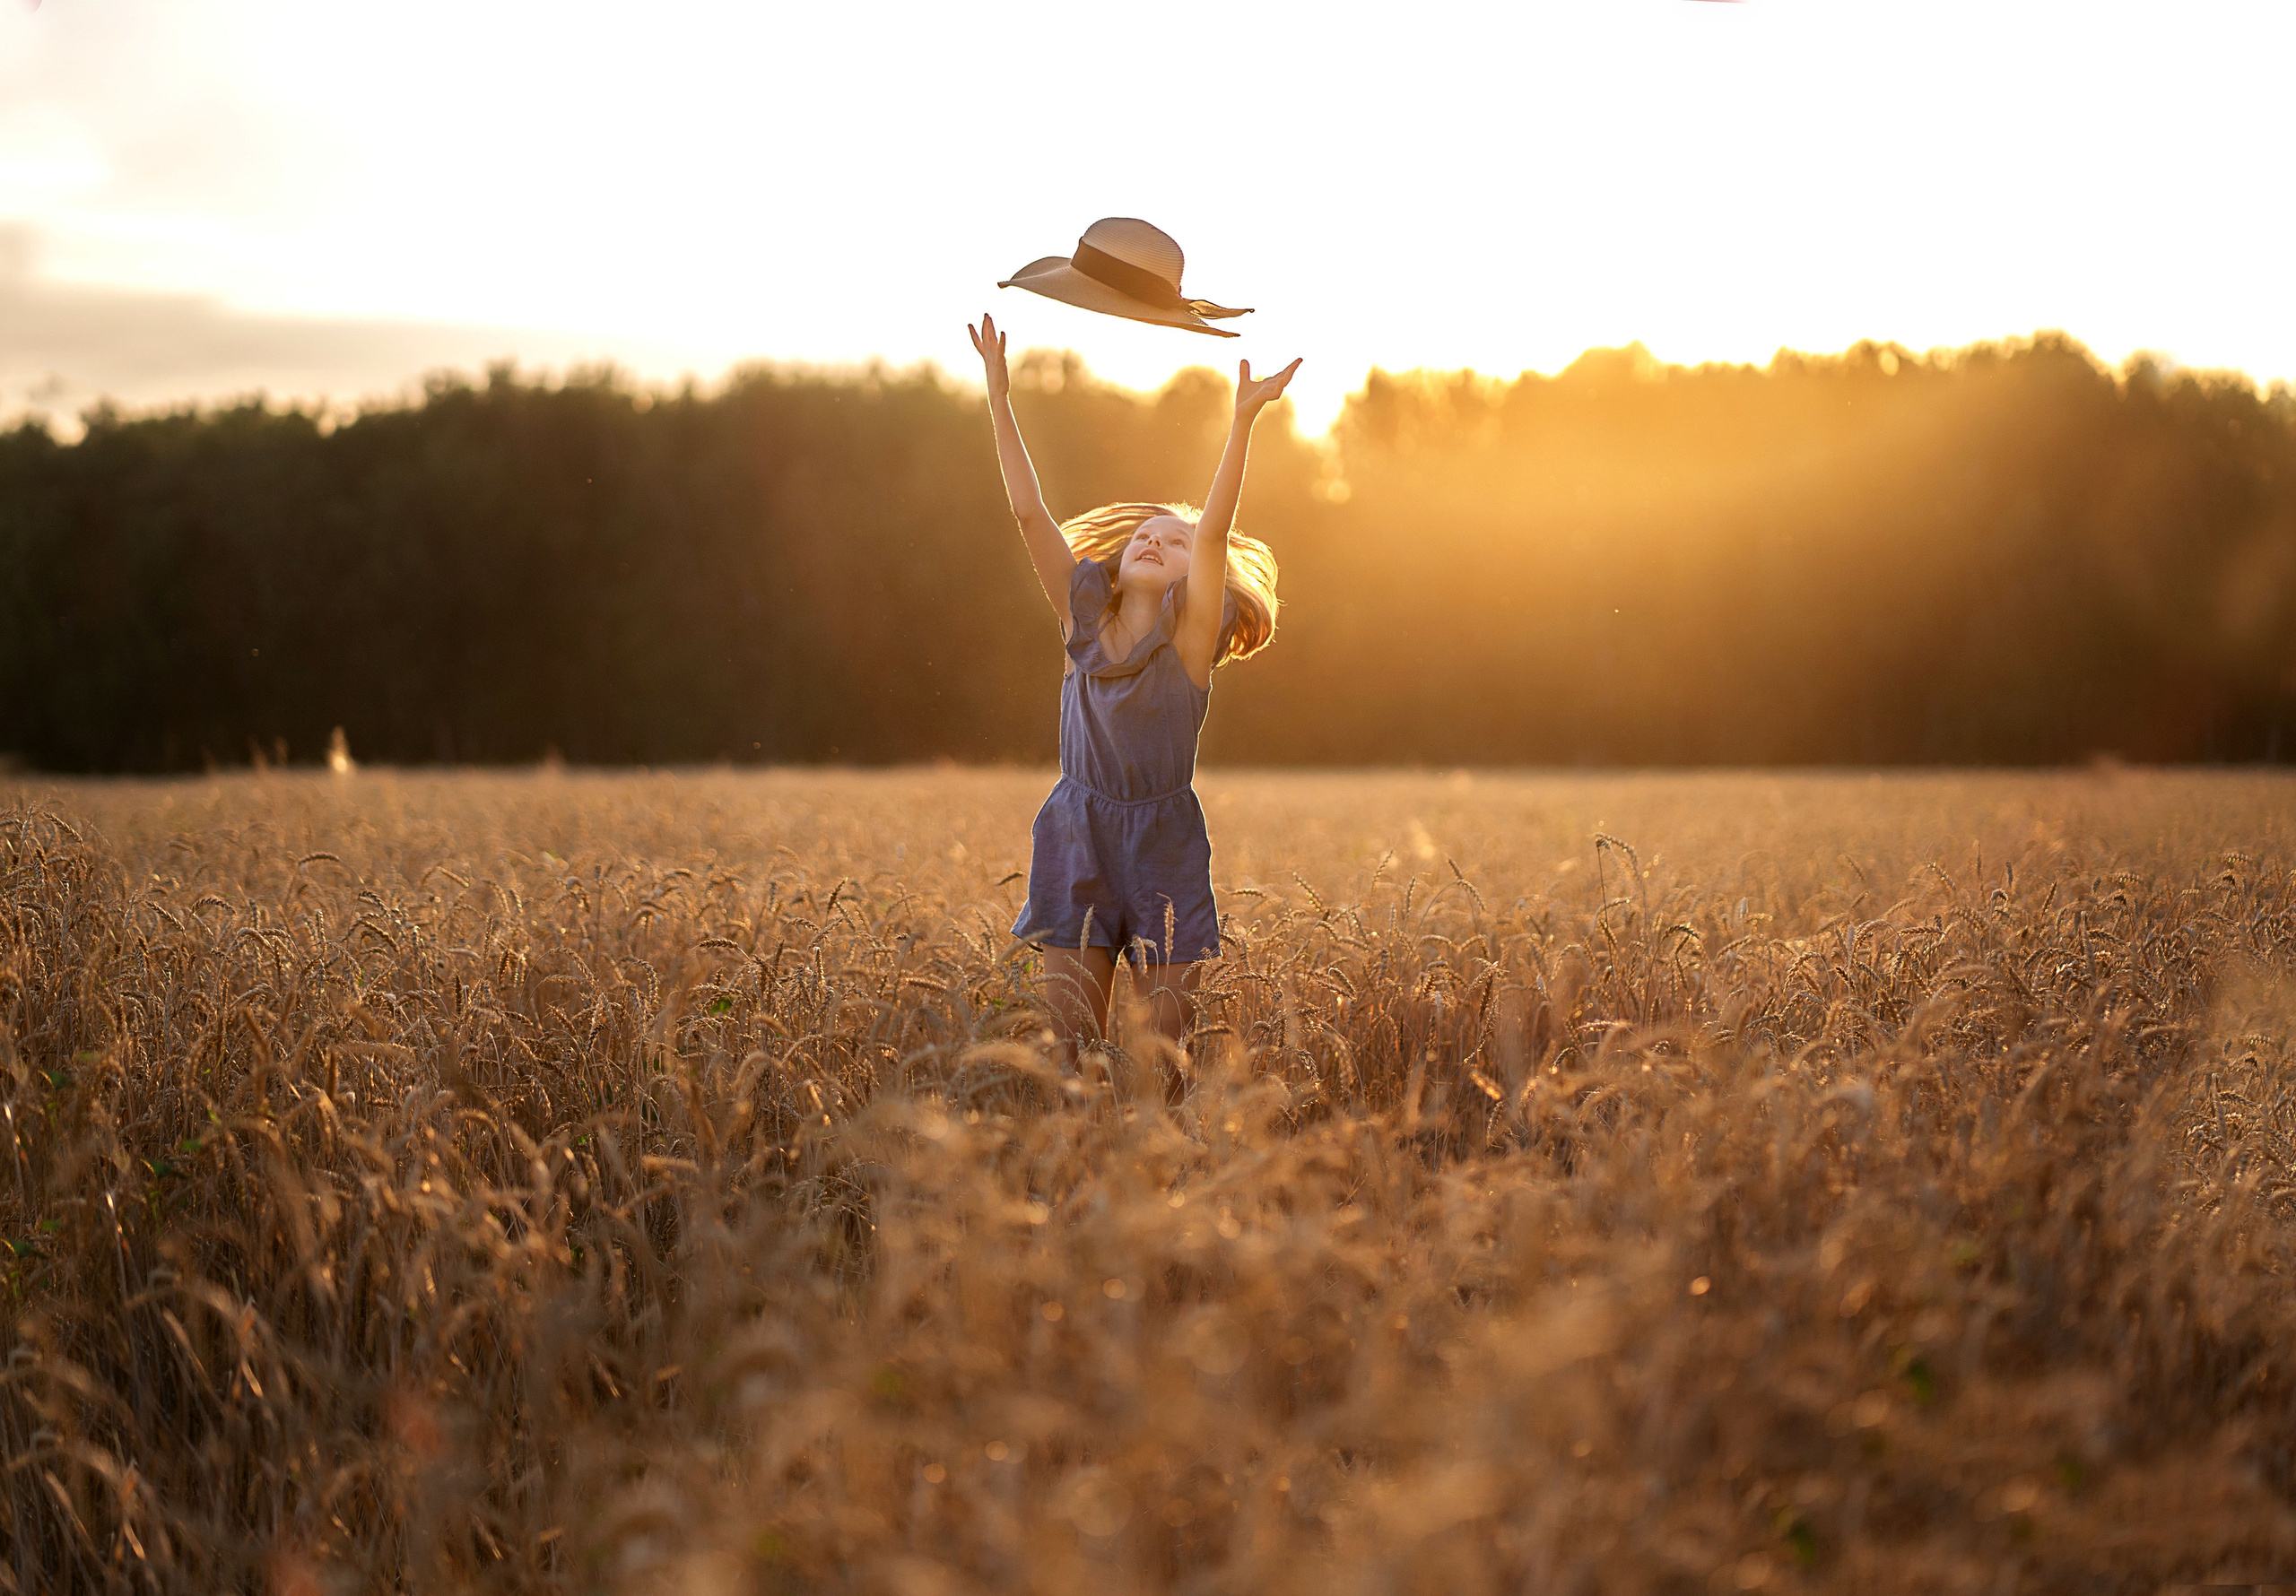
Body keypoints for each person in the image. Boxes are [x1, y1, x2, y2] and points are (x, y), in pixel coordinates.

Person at [968, 312, 1300, 1075]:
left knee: (1161, 1065)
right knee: (1070, 1057)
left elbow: (1215, 531)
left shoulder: (1188, 649)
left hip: (1164, 847)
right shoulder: (1078, 620)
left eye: (1174, 540)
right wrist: (997, 396)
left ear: (1195, 575)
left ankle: (1161, 1176)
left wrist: (1241, 424)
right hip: (1077, 835)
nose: (1156, 539)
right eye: (1147, 533)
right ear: (1121, 558)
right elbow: (1028, 512)